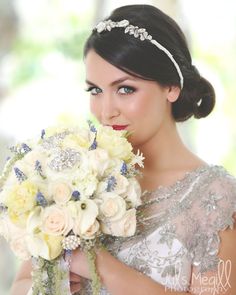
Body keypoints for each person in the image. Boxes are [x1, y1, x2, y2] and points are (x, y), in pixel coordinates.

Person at [11, 4, 236, 295]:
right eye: (95, 90)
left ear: (171, 87)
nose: (106, 111)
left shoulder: (216, 196)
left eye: (125, 89)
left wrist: (98, 265)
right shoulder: (74, 176)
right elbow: (20, 285)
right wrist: (54, 285)